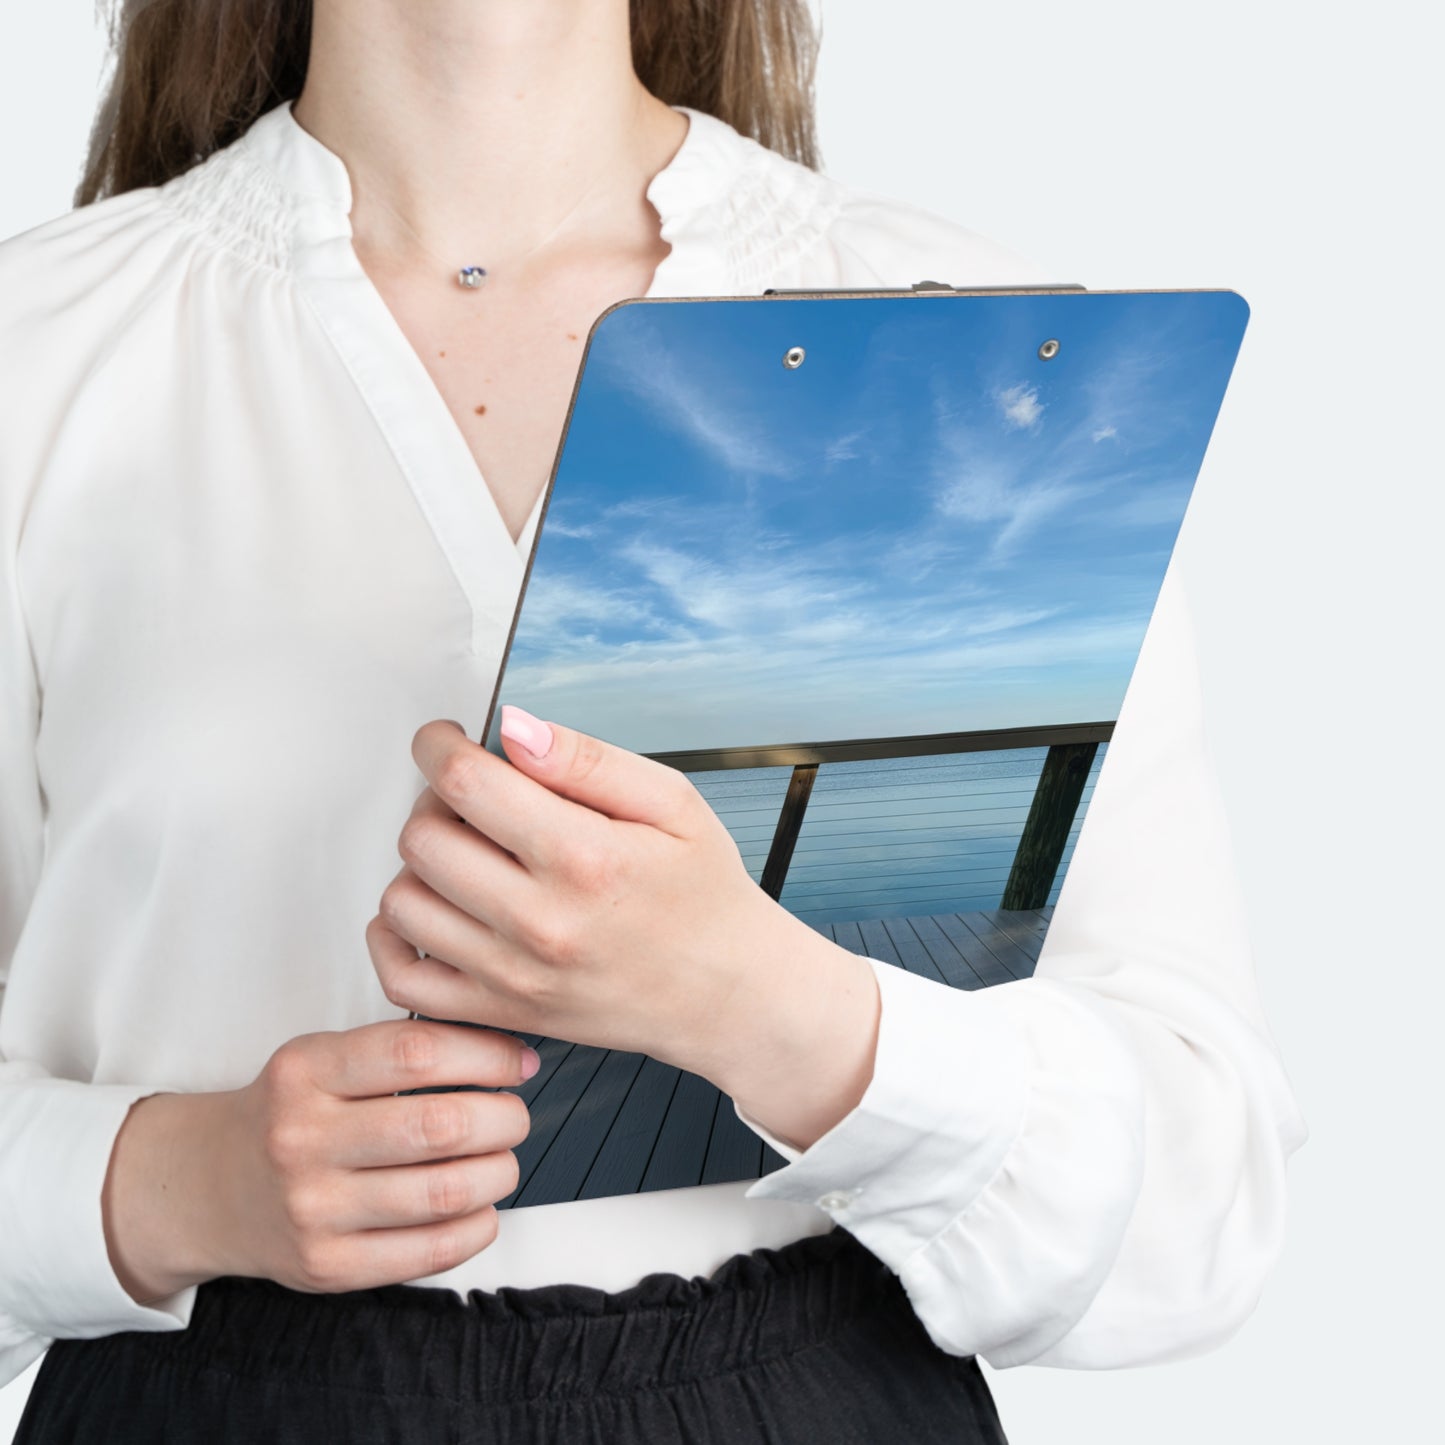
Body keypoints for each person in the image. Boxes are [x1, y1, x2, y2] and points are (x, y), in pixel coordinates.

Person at [0, 0, 1309, 1439]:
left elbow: (1197, 1206)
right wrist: (168, 1181)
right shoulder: (40, 355)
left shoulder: (981, 353)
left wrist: (772, 1010)